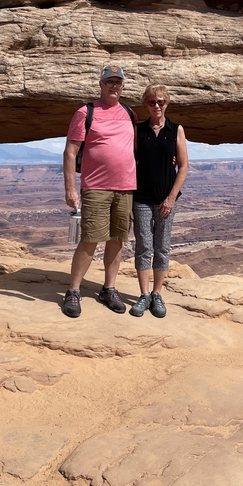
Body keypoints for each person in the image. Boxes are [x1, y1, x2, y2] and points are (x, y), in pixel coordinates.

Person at [61, 64, 136, 318]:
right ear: (101, 84)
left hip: (126, 187)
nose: (114, 86)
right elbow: (70, 152)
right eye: (109, 81)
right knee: (90, 239)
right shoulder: (86, 112)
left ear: (123, 86)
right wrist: (71, 188)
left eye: (118, 82)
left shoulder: (129, 113)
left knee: (117, 239)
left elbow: (135, 148)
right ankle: (73, 290)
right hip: (95, 186)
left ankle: (109, 288)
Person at [128, 84, 188, 318]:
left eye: (161, 101)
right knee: (144, 246)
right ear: (145, 104)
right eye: (152, 102)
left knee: (162, 247)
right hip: (141, 197)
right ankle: (144, 296)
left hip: (166, 199)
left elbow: (183, 166)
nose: (157, 105)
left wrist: (171, 198)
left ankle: (157, 294)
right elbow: (130, 161)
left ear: (167, 103)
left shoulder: (176, 130)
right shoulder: (138, 130)